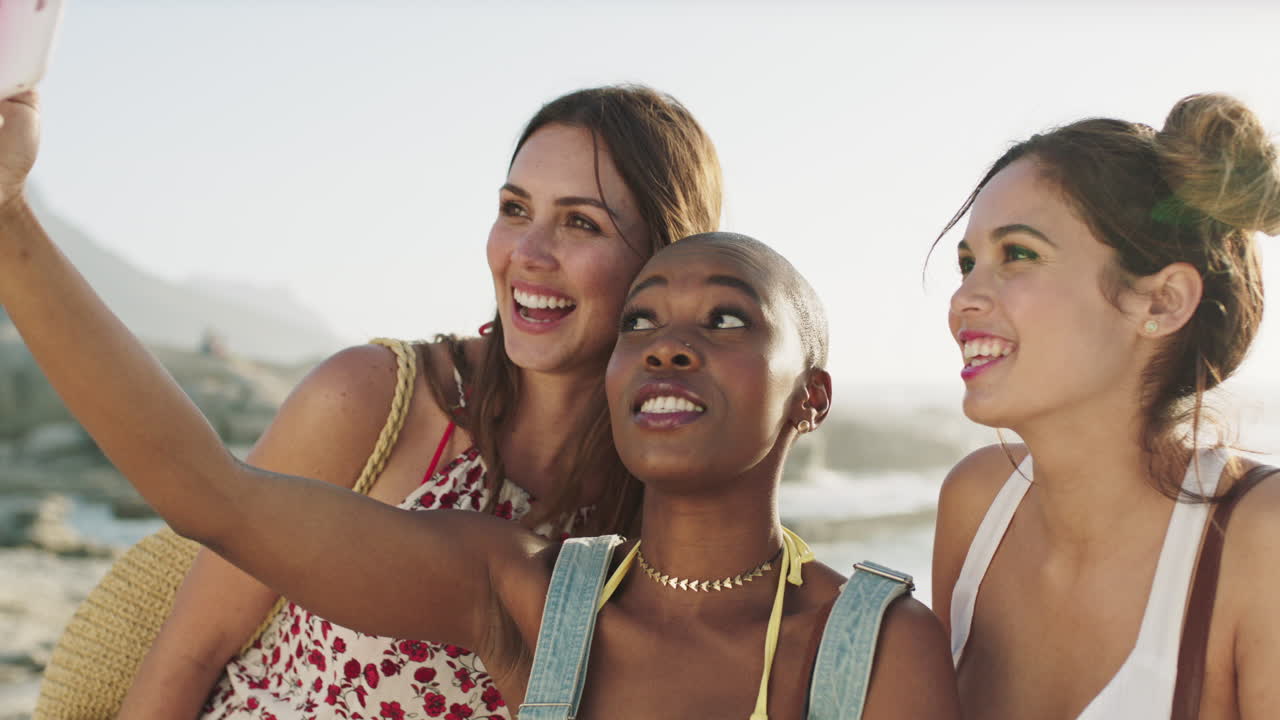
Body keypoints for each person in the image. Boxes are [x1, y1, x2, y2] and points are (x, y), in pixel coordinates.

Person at [0, 169, 961, 716]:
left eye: (726, 321)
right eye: (640, 322)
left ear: (814, 398)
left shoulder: (875, 649)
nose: (669, 342)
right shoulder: (533, 597)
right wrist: (8, 216)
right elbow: (213, 496)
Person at [0, 84, 723, 718]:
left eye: (580, 222)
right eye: (514, 208)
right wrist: (9, 216)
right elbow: (190, 648)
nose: (527, 252)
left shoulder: (668, 517)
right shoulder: (380, 398)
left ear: (666, 262)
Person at [930, 93, 1280, 719]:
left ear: (1162, 302)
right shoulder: (976, 506)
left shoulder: (1260, 538)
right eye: (967, 263)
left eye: (1018, 254)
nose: (964, 300)